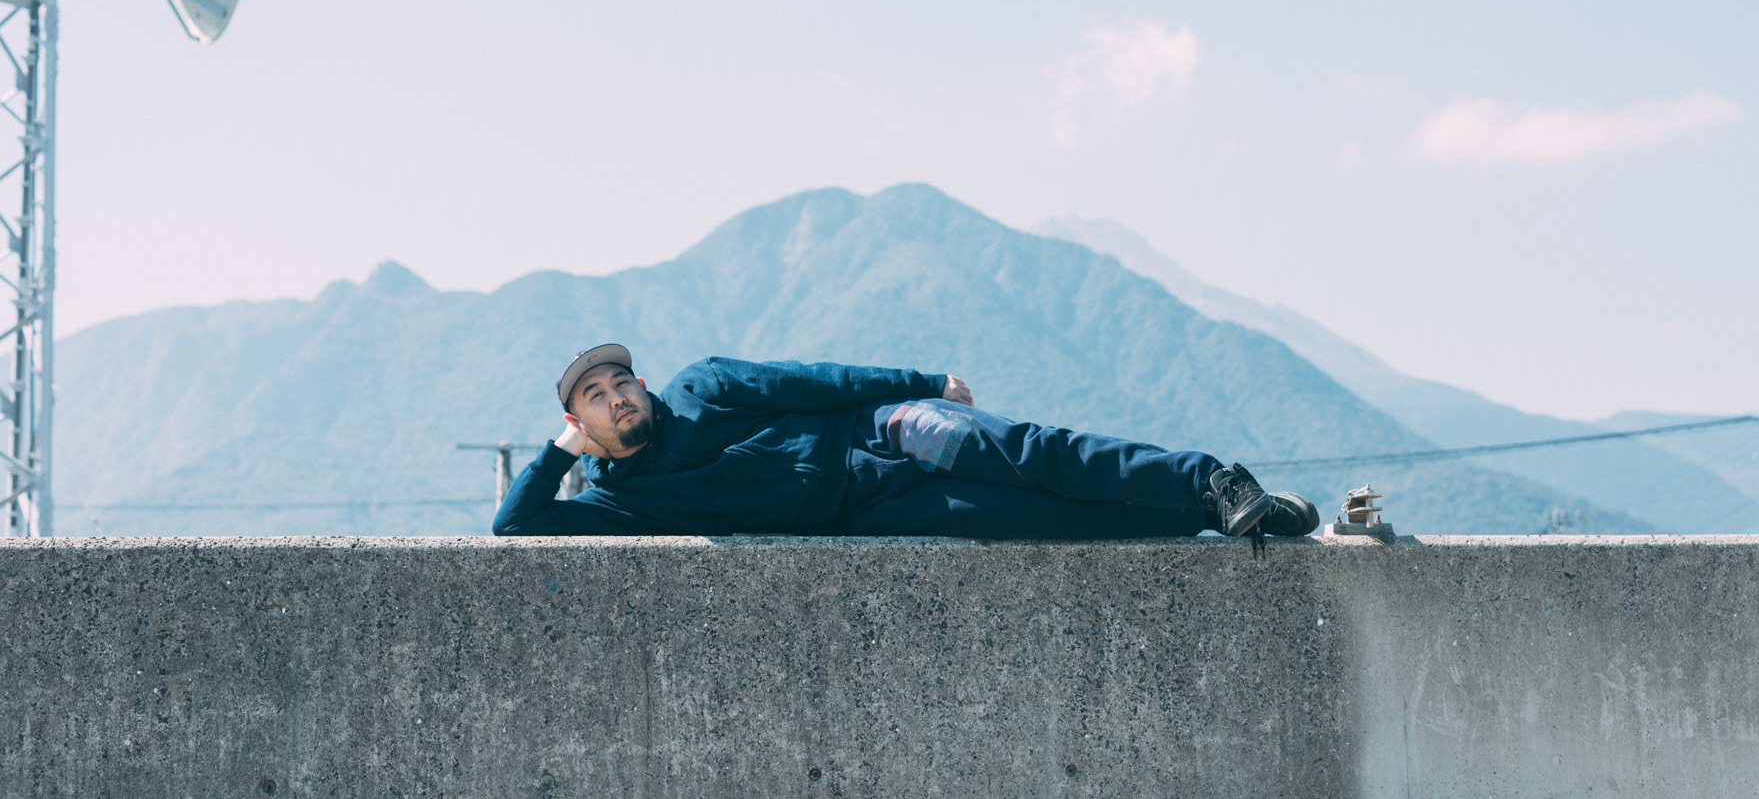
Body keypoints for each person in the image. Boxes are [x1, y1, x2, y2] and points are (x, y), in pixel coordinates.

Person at [493, 343, 1320, 541]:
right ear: (586, 426)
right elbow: (515, 526)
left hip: (882, 431)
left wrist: (916, 381)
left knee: (1034, 453)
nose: (618, 397)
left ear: (642, 384)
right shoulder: (618, 500)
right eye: (594, 398)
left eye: (621, 381)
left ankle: (1215, 480)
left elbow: (815, 380)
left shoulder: (704, 385)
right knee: (1034, 518)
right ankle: (1210, 523)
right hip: (874, 505)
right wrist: (559, 453)